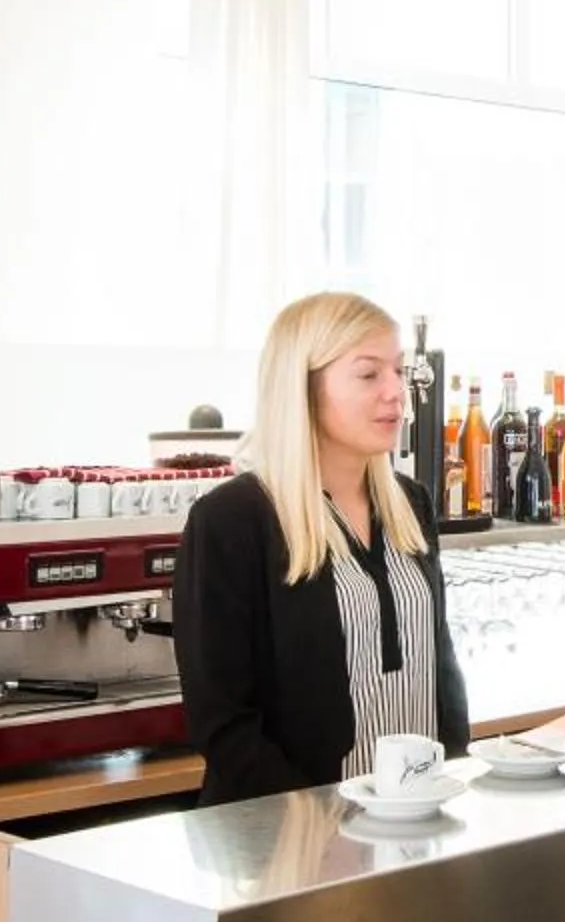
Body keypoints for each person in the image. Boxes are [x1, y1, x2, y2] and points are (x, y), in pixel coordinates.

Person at [174, 292, 470, 806]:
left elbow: (441, 670)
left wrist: (452, 784)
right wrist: (316, 828)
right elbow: (222, 722)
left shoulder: (411, 502)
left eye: (398, 372)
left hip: (409, 824)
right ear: (303, 388)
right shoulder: (233, 520)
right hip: (286, 848)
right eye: (368, 374)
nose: (396, 393)